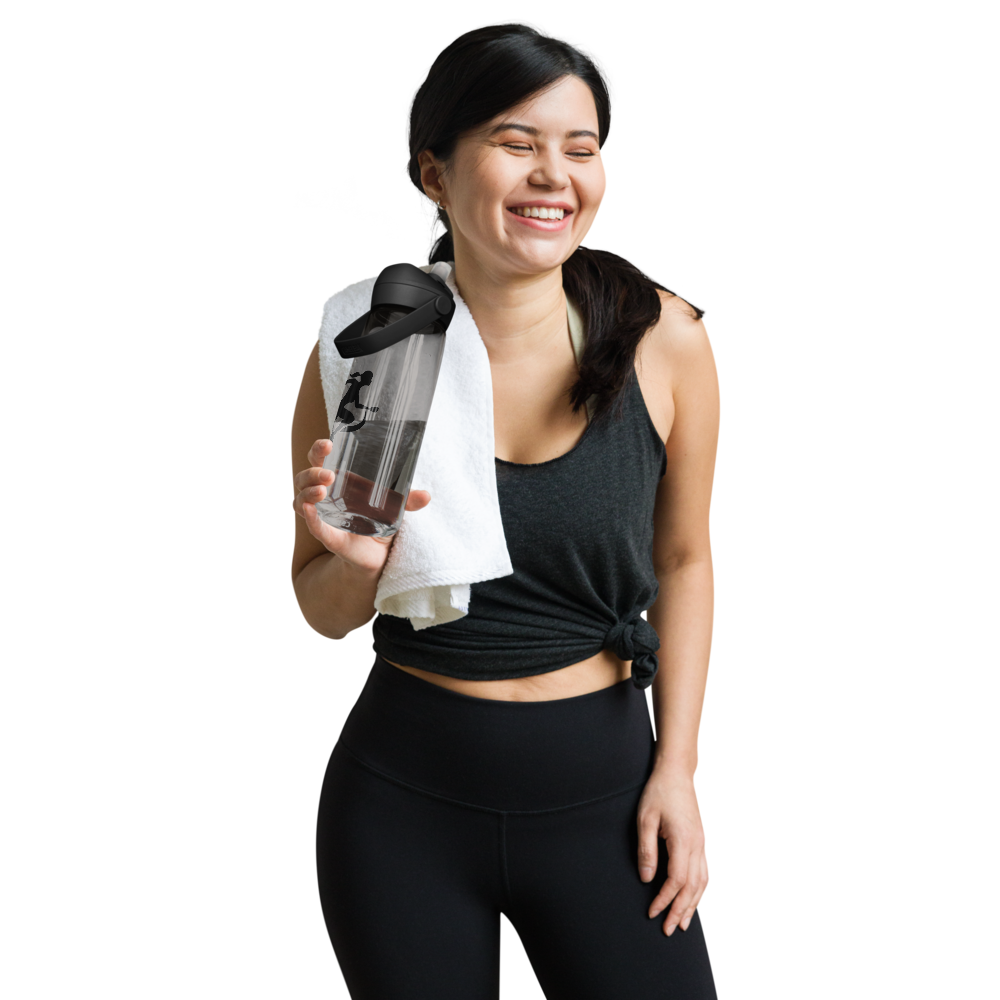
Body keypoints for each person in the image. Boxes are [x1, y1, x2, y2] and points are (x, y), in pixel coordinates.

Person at [291, 19, 720, 999]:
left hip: (609, 803)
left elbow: (686, 559)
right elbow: (320, 612)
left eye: (580, 148)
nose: (553, 175)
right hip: (400, 807)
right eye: (515, 143)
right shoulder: (371, 347)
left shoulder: (668, 342)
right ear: (436, 176)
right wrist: (354, 558)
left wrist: (679, 773)